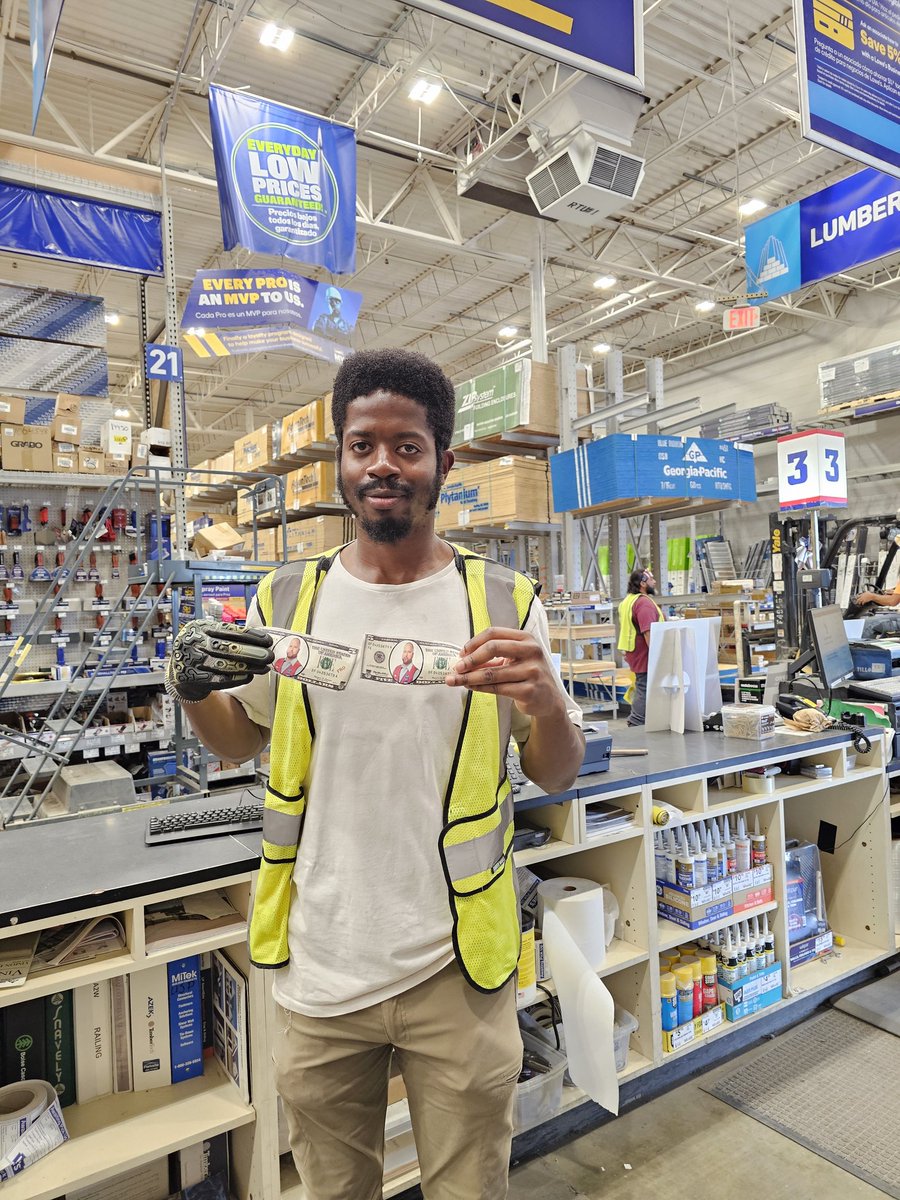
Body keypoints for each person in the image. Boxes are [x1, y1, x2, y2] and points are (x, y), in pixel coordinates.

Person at [165, 347, 585, 1200]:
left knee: (470, 1187)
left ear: (444, 463)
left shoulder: (505, 602)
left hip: (457, 970)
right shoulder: (285, 598)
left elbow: (557, 774)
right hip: (319, 964)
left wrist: (548, 704)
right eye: (362, 446)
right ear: (339, 459)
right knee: (331, 1189)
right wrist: (191, 686)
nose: (381, 465)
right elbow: (237, 745)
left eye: (405, 446)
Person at [617, 566, 663, 727]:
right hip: (645, 653)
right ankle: (636, 721)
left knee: (642, 685)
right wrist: (658, 655)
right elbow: (648, 632)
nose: (655, 582)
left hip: (634, 652)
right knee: (644, 687)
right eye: (651, 580)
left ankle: (643, 719)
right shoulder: (644, 604)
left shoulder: (628, 600)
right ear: (643, 584)